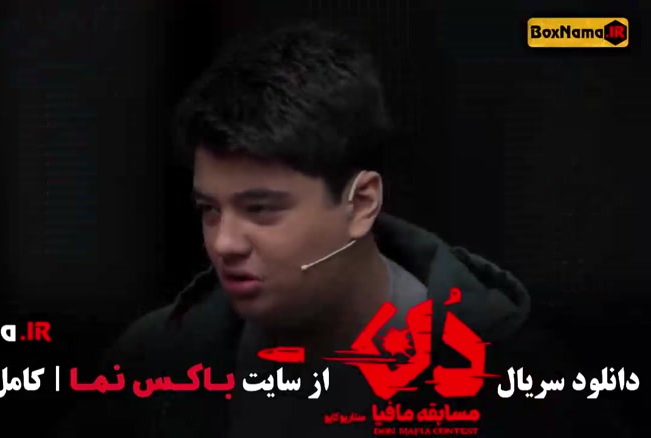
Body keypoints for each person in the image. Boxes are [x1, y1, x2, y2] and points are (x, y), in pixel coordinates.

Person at [58, 23, 631, 438]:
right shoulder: (154, 363)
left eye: (261, 209)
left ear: (361, 203)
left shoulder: (517, 382)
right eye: (210, 210)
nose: (225, 243)